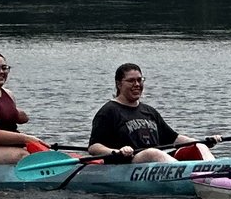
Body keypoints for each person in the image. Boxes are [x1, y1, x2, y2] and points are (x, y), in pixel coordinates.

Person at [87, 62, 215, 163]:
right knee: (152, 152)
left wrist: (201, 142)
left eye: (139, 80)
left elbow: (174, 138)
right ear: (119, 84)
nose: (137, 84)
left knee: (199, 147)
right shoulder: (108, 111)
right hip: (127, 162)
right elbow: (93, 147)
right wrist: (116, 151)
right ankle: (188, 174)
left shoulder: (149, 111)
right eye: (131, 81)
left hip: (157, 161)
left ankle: (218, 174)